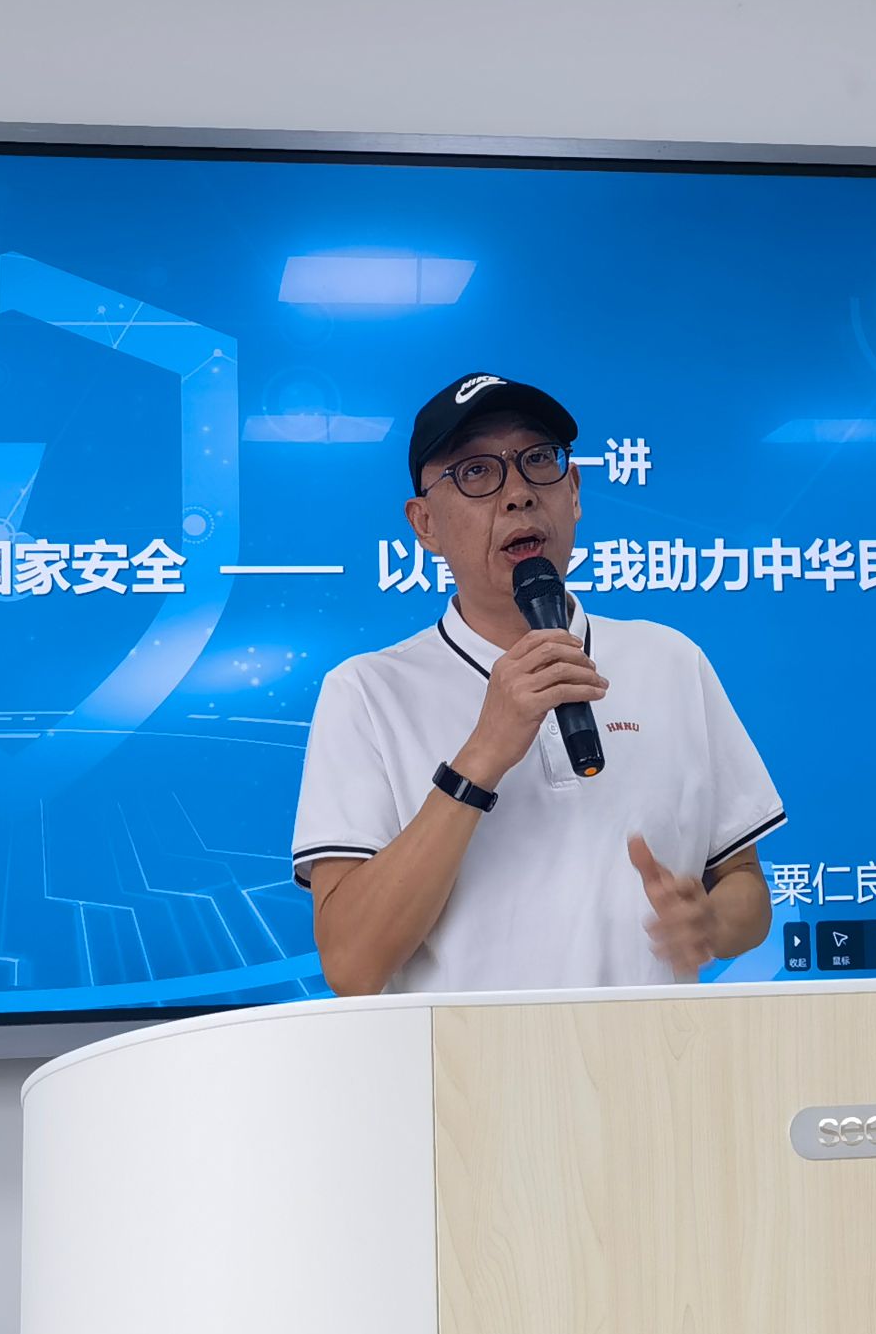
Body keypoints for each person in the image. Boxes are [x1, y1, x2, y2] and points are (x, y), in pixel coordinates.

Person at [290, 372, 785, 996]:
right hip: (461, 1059)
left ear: (573, 491)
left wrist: (711, 923)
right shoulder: (367, 692)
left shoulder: (670, 659)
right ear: (425, 523)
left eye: (539, 461)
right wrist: (484, 753)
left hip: (658, 1052)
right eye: (476, 472)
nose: (519, 494)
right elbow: (352, 965)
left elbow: (745, 887)